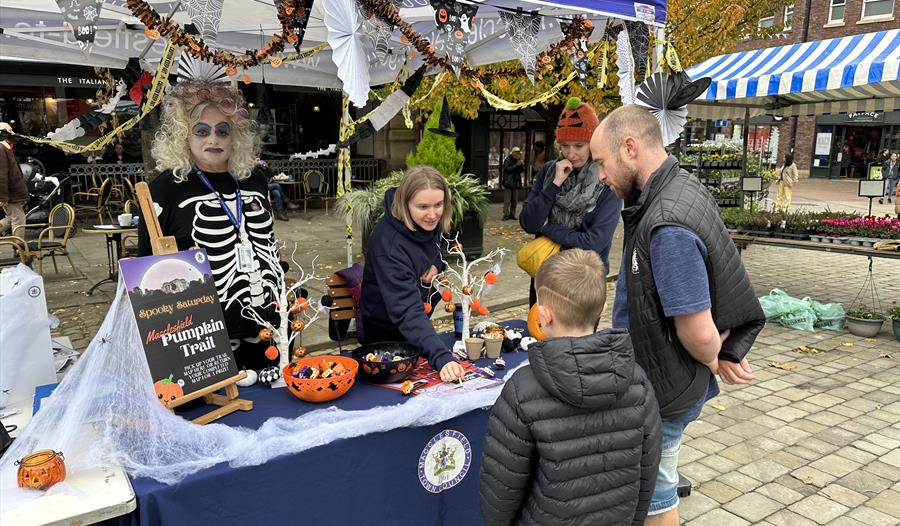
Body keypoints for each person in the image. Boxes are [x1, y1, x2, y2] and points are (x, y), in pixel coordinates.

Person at [591, 105, 765, 526]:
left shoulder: (666, 225)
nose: (599, 175)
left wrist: (713, 356)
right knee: (654, 488)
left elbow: (698, 329)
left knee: (656, 496)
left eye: (601, 162)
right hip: (665, 376)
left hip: (665, 385)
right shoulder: (678, 187)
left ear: (630, 148)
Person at [479, 248, 661, 526]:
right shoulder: (638, 382)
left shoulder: (521, 390)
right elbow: (647, 473)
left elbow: (501, 489)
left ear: (543, 315)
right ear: (602, 309)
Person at [136, 80, 279, 373]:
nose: (213, 139)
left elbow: (268, 241)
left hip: (266, 324)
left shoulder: (253, 180)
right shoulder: (164, 189)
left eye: (222, 131)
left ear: (235, 136)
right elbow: (147, 268)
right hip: (201, 336)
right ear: (182, 136)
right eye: (201, 131)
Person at [359, 165, 466, 383]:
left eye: (439, 204)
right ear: (405, 204)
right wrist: (441, 357)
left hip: (417, 321)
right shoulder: (388, 246)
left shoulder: (427, 222)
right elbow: (406, 310)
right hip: (387, 331)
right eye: (423, 207)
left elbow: (437, 247)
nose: (433, 214)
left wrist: (436, 264)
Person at [519, 97, 621, 306]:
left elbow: (594, 243)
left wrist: (548, 228)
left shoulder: (607, 180)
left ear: (591, 145)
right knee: (539, 335)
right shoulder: (549, 172)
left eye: (579, 145)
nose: (571, 153)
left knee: (578, 339)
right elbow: (529, 223)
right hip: (547, 275)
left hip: (584, 281)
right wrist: (555, 184)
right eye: (565, 146)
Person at [0, 122, 28, 236]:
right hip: (10, 194)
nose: (13, 133)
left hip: (12, 193)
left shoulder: (5, 147)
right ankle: (19, 249)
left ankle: (19, 248)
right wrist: (2, 197)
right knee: (19, 219)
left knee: (12, 218)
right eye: (9, 130)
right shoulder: (1, 148)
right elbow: (1, 175)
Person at [501, 146, 524, 220]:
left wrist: (521, 165)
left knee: (515, 200)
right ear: (513, 153)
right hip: (508, 182)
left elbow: (521, 171)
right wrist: (516, 165)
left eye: (519, 154)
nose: (518, 155)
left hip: (516, 182)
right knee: (507, 200)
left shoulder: (518, 160)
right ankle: (506, 214)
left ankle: (512, 214)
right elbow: (507, 169)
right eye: (517, 153)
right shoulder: (508, 160)